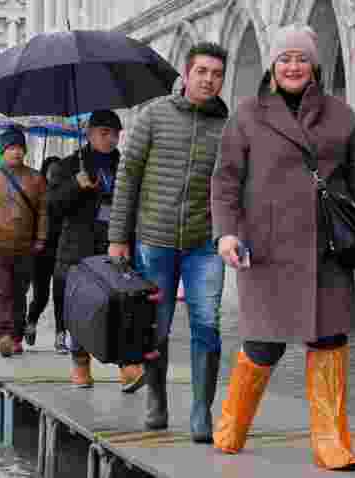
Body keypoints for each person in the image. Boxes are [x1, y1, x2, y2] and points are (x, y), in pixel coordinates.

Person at [211, 26, 355, 469]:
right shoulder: (246, 115)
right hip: (266, 248)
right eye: (284, 59)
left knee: (329, 342)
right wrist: (226, 232)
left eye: (301, 58)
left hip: (327, 249)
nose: (293, 66)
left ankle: (331, 443)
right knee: (264, 345)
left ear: (314, 65)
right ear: (272, 67)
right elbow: (225, 181)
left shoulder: (341, 116)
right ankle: (232, 427)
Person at [108, 42, 230, 443]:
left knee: (207, 325)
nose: (209, 79)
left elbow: (235, 185)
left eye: (216, 73)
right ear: (187, 73)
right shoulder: (154, 115)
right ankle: (157, 399)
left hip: (204, 243)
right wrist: (118, 238)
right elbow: (128, 177)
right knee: (155, 330)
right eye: (202, 72)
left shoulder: (228, 126)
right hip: (153, 240)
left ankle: (200, 411)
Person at [50, 110, 144, 391]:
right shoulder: (70, 166)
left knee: (124, 305)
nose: (111, 139)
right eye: (104, 133)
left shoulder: (127, 165)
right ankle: (80, 362)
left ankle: (127, 366)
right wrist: (74, 188)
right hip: (79, 248)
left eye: (115, 134)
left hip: (116, 244)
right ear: (90, 134)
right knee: (82, 307)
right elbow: (54, 206)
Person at [0, 127, 48, 358]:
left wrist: (41, 238)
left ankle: (16, 335)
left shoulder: (36, 178)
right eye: (11, 148)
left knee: (20, 292)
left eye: (20, 148)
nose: (16, 152)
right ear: (3, 151)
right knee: (2, 290)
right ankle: (2, 334)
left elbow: (43, 212)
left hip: (25, 246)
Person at [28, 156, 64, 353]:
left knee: (61, 297)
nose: (54, 174)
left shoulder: (68, 193)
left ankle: (60, 336)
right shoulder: (37, 193)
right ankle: (31, 322)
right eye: (51, 170)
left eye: (58, 170)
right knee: (41, 296)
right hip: (40, 252)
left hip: (63, 252)